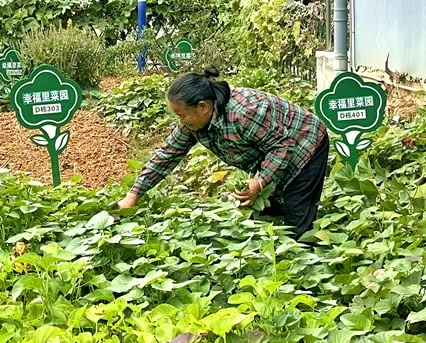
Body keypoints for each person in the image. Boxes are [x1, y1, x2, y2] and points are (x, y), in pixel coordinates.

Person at [117, 67, 329, 239]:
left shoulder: (243, 113)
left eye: (181, 115)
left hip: (305, 143)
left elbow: (283, 146)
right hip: (274, 147)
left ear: (202, 106)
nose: (180, 121)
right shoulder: (193, 122)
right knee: (263, 209)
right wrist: (133, 194)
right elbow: (167, 155)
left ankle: (304, 264)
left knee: (297, 213)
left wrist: (261, 181)